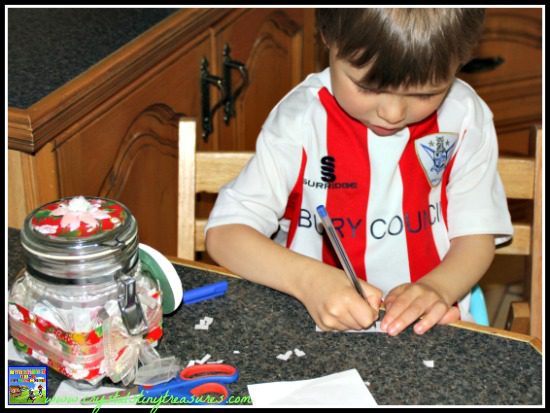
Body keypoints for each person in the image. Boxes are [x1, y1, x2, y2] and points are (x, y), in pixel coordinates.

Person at [204, 8, 513, 336]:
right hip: (310, 324)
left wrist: (439, 288)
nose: (392, 113)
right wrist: (309, 280)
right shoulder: (300, 121)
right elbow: (225, 234)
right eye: (368, 86)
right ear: (328, 37)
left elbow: (476, 237)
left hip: (433, 324)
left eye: (425, 93)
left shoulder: (464, 117)